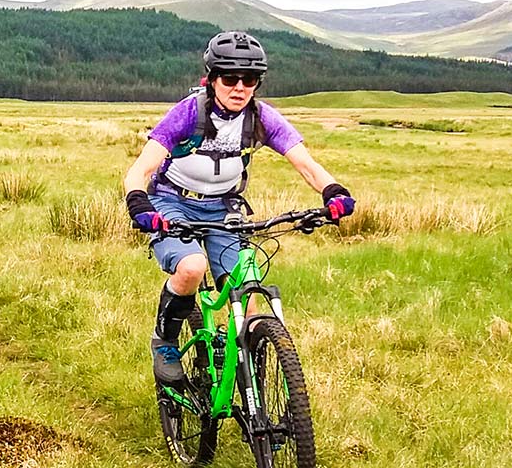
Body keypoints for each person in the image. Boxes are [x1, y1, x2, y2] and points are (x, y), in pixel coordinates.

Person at [123, 31, 355, 386]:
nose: (239, 87)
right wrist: (140, 202)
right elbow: (141, 169)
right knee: (191, 266)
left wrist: (333, 192)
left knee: (247, 294)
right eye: (229, 78)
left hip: (224, 209)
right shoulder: (188, 113)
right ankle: (165, 340)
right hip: (171, 201)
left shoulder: (262, 118)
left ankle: (250, 388)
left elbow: (305, 163)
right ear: (211, 79)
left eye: (250, 80)